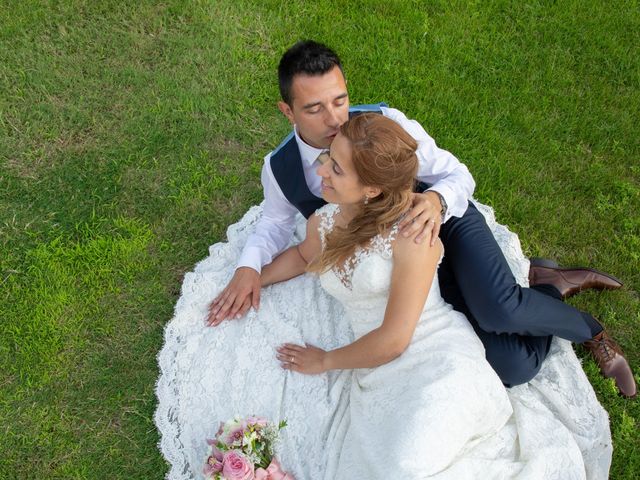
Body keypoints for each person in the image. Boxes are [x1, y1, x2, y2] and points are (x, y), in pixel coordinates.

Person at [154, 114, 612, 479]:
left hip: (434, 362)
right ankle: (550, 288)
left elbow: (395, 340)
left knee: (408, 468)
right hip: (379, 380)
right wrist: (251, 276)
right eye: (327, 158)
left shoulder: (414, 235)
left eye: (335, 167)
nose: (320, 171)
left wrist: (325, 360)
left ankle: (563, 307)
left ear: (372, 187)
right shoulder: (326, 222)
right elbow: (300, 256)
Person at [207, 40, 635, 397]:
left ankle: (591, 330)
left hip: (439, 225)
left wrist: (436, 203)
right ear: (289, 111)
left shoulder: (384, 124)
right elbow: (275, 223)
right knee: (511, 368)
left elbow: (457, 175)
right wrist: (250, 268)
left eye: (340, 100)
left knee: (500, 310)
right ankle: (549, 286)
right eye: (315, 108)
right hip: (394, 261)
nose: (336, 119)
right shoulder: (280, 167)